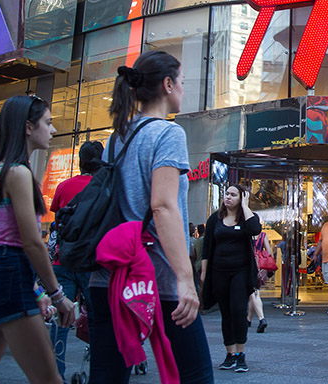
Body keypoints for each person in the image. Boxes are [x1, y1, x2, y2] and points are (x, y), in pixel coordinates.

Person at [87, 52, 212, 383]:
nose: (183, 89)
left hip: (109, 278)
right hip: (157, 280)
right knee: (196, 376)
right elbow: (163, 206)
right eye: (181, 81)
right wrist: (185, 278)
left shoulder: (116, 137)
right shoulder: (168, 133)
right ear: (168, 85)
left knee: (106, 377)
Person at [0, 95, 74, 384]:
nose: (53, 129)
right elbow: (31, 242)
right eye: (47, 122)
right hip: (9, 279)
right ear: (28, 127)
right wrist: (57, 296)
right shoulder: (18, 173)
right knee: (50, 380)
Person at [48, 140, 103, 380]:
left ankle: (56, 374)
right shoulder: (103, 188)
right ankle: (98, 374)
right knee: (97, 319)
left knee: (62, 317)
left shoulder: (63, 187)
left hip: (64, 260)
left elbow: (57, 222)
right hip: (92, 263)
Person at [201, 184, 261, 372]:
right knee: (226, 312)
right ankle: (230, 354)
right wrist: (204, 272)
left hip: (240, 272)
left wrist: (245, 206)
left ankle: (241, 354)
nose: (228, 197)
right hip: (219, 272)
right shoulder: (215, 219)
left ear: (241, 198)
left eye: (233, 195)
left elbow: (255, 229)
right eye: (226, 194)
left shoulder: (247, 218)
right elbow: (207, 246)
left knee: (238, 310)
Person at [248, 230, 273, 333]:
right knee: (255, 292)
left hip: (248, 265)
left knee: (253, 293)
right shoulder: (263, 235)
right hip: (260, 267)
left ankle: (261, 318)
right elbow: (269, 252)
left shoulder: (247, 233)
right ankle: (248, 319)